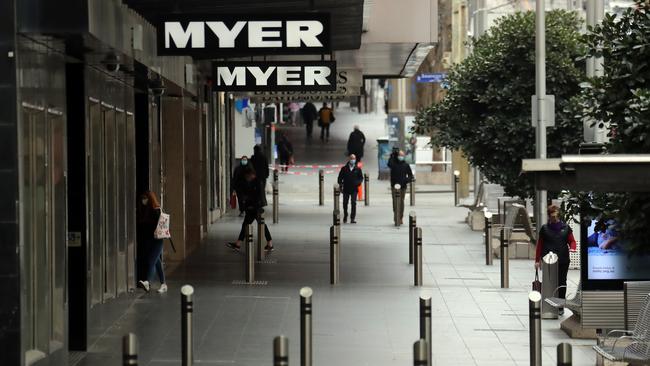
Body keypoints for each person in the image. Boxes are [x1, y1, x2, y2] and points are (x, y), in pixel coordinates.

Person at [534, 205, 577, 316]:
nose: (554, 219)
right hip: (548, 260)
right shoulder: (544, 229)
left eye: (556, 216)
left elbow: (572, 241)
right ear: (549, 216)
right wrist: (537, 260)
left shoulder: (566, 228)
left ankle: (560, 305)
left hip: (563, 259)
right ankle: (550, 304)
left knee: (562, 281)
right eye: (552, 216)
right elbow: (540, 245)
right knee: (549, 282)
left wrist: (572, 248)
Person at [227, 168, 273, 252]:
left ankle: (238, 244)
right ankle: (238, 244)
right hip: (254, 207)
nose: (247, 178)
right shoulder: (255, 182)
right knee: (254, 225)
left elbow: (256, 196)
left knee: (254, 225)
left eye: (247, 176)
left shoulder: (256, 183)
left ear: (252, 175)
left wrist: (250, 204)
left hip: (255, 208)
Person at [137, 191, 167, 293]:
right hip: (149, 240)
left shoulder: (156, 210)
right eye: (142, 198)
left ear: (150, 199)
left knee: (151, 261)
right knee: (157, 261)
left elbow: (160, 225)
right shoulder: (144, 210)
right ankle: (163, 284)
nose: (143, 200)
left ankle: (147, 282)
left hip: (158, 240)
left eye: (145, 198)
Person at [337, 154, 364, 224]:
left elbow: (361, 178)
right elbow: (340, 178)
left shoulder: (357, 169)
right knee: (345, 203)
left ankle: (352, 218)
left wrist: (357, 183)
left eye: (354, 159)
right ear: (349, 159)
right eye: (352, 158)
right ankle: (345, 215)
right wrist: (341, 185)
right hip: (346, 188)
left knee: (353, 203)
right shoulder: (344, 168)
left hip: (354, 189)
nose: (353, 160)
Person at [389, 150, 414, 225]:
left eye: (402, 155)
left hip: (403, 187)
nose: (401, 156)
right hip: (394, 186)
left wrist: (405, 180)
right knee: (395, 202)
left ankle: (400, 217)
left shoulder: (406, 165)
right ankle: (396, 217)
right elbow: (389, 164)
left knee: (401, 202)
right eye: (399, 155)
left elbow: (411, 176)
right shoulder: (393, 164)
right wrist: (392, 156)